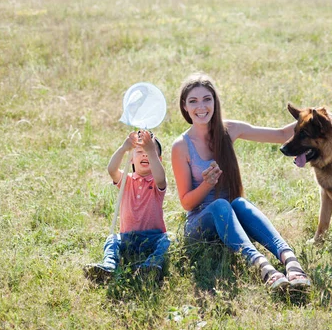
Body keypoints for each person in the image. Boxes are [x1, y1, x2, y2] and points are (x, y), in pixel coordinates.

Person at [171, 72, 310, 291]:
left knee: (239, 203)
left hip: (232, 215)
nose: (201, 107)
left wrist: (317, 119)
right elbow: (187, 203)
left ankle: (291, 261)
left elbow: (281, 134)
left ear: (215, 102)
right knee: (221, 205)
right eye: (193, 101)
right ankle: (263, 267)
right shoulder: (181, 146)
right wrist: (207, 184)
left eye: (207, 99)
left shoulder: (229, 130)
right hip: (199, 223)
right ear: (185, 107)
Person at [84, 130, 170, 282]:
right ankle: (109, 267)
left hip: (153, 236)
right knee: (112, 239)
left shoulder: (156, 182)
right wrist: (124, 148)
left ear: (159, 159)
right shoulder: (126, 181)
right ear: (131, 159)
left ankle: (151, 266)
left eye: (150, 152)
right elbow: (111, 170)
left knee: (168, 240)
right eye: (140, 151)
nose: (145, 155)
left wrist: (151, 151)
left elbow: (161, 177)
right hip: (127, 237)